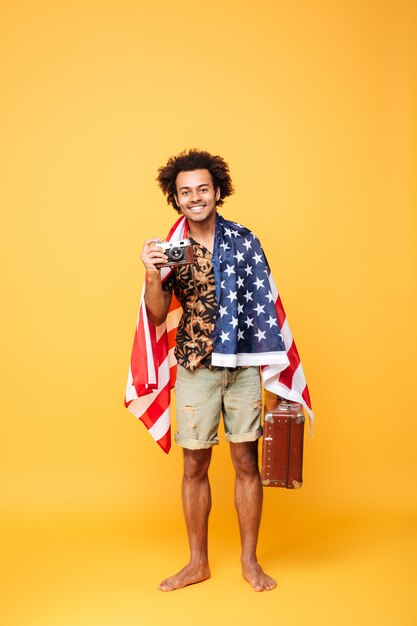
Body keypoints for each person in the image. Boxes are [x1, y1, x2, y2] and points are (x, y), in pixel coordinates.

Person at [140, 149, 277, 592]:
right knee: (194, 464)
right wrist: (150, 274)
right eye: (185, 192)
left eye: (202, 189)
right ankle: (197, 562)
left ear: (217, 192)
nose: (195, 197)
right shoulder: (171, 249)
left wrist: (277, 381)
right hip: (195, 366)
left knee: (245, 461)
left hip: (241, 365)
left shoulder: (245, 240)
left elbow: (266, 313)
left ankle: (249, 561)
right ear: (176, 199)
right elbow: (158, 317)